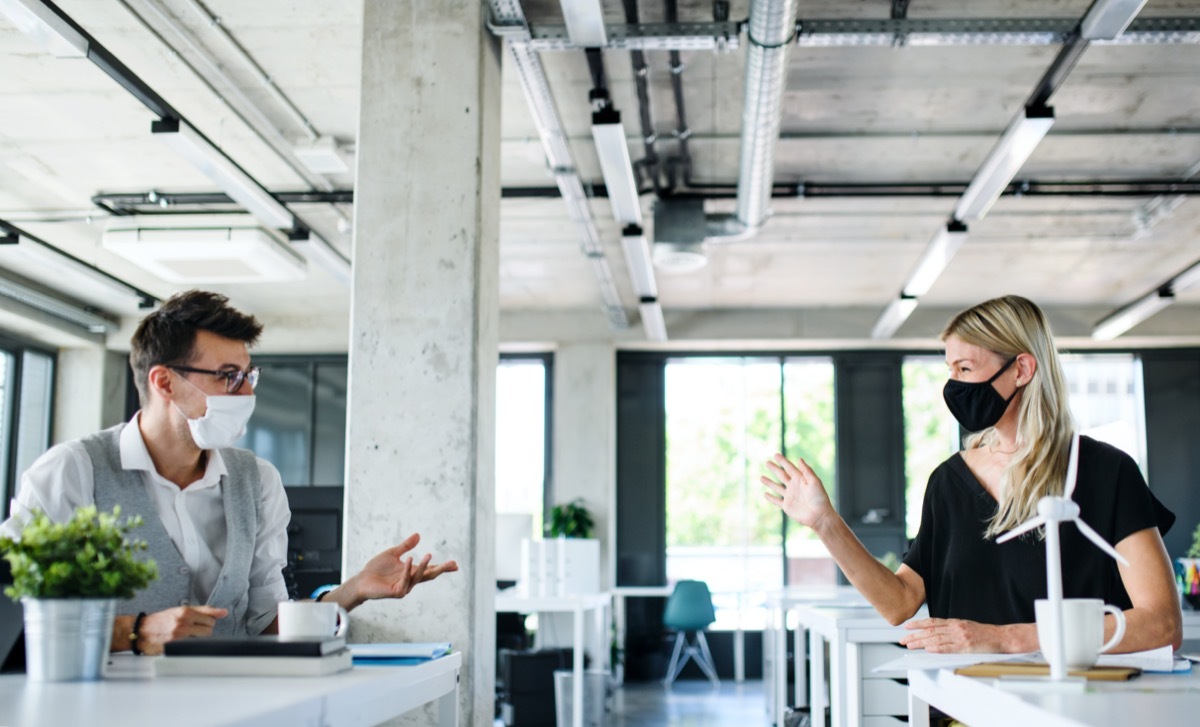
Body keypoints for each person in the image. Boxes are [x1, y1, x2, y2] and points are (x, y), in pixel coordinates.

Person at [0, 290, 457, 655]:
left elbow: (265, 625)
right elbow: (13, 615)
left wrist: (354, 589)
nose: (243, 393)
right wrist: (134, 631)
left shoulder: (257, 482)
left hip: (232, 706)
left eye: (247, 376)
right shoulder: (73, 471)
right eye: (227, 376)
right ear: (164, 382)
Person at [762, 295, 1181, 654]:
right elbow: (899, 603)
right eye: (950, 370)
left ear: (1021, 369)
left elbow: (1162, 624)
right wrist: (825, 523)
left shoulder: (1105, 472)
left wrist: (1007, 639)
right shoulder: (948, 483)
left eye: (965, 369)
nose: (953, 385)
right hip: (965, 705)